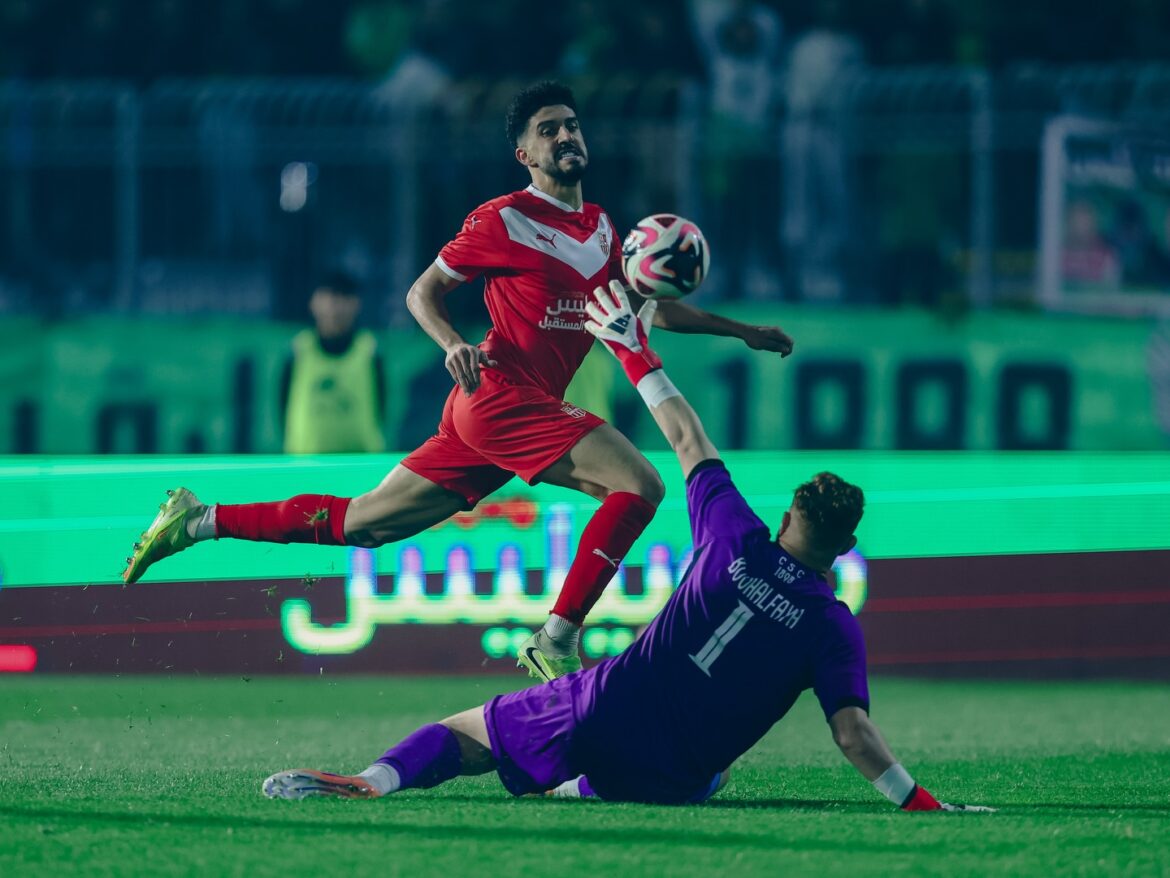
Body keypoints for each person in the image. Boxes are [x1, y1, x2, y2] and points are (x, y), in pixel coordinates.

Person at [120, 80, 794, 681]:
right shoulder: (503, 218)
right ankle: (557, 638)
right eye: (548, 130)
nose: (566, 135)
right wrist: (451, 343)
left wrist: (741, 331)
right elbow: (422, 292)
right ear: (525, 155)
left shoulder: (602, 229)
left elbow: (643, 303)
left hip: (504, 413)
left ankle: (197, 521)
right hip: (501, 396)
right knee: (639, 483)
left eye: (572, 125)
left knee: (363, 524)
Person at [260, 282, 995, 813]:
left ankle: (374, 781)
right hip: (677, 774)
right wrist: (919, 802)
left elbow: (685, 435)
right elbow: (852, 732)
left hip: (606, 708)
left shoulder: (733, 534)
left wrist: (632, 347)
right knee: (712, 775)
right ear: (845, 548)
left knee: (467, 733)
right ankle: (575, 786)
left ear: (787, 516)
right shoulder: (834, 625)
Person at [280, 270, 387, 454]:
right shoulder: (298, 351)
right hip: (305, 463)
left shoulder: (370, 352)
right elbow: (282, 405)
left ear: (356, 304)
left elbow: (382, 406)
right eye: (327, 298)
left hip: (359, 464)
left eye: (343, 298)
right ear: (313, 303)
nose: (334, 307)